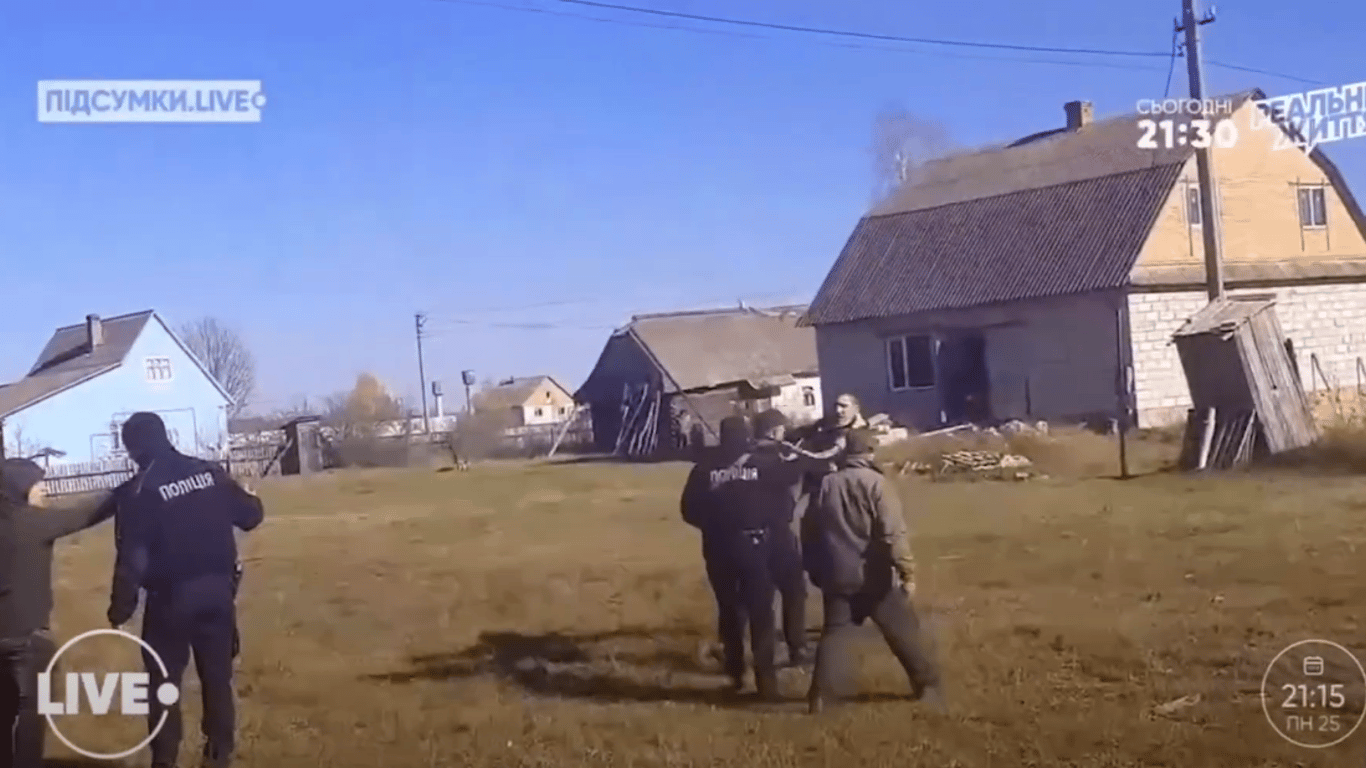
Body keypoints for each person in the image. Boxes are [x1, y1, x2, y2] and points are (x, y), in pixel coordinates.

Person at [108, 412, 264, 768]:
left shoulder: (140, 491)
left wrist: (120, 609)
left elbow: (132, 559)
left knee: (163, 685)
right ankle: (218, 756)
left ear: (134, 448)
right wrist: (251, 496)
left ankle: (164, 760)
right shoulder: (209, 471)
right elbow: (251, 516)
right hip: (219, 594)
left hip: (170, 601)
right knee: (217, 678)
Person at [800, 428, 942, 715]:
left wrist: (815, 569)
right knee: (902, 631)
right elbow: (892, 533)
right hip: (874, 576)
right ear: (869, 452)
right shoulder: (877, 484)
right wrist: (907, 571)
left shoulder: (826, 484)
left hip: (837, 574)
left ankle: (820, 697)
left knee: (834, 634)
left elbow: (809, 530)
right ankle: (927, 684)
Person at [0, 458, 116, 768]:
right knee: (32, 712)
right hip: (27, 639)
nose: (45, 490)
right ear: (20, 488)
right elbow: (84, 514)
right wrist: (124, 491)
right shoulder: (31, 523)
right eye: (37, 484)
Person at [679, 415, 783, 700]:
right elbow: (782, 504)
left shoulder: (703, 469)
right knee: (761, 613)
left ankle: (736, 672)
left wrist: (712, 525)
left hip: (717, 547)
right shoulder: (763, 464)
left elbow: (688, 510)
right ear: (747, 435)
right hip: (756, 545)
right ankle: (767, 681)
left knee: (729, 609)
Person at [750, 408, 809, 667]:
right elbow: (795, 474)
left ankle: (761, 652)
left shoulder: (746, 459)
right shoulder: (777, 460)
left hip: (751, 536)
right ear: (775, 432)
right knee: (794, 591)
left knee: (761, 596)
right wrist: (797, 457)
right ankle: (797, 647)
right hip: (779, 534)